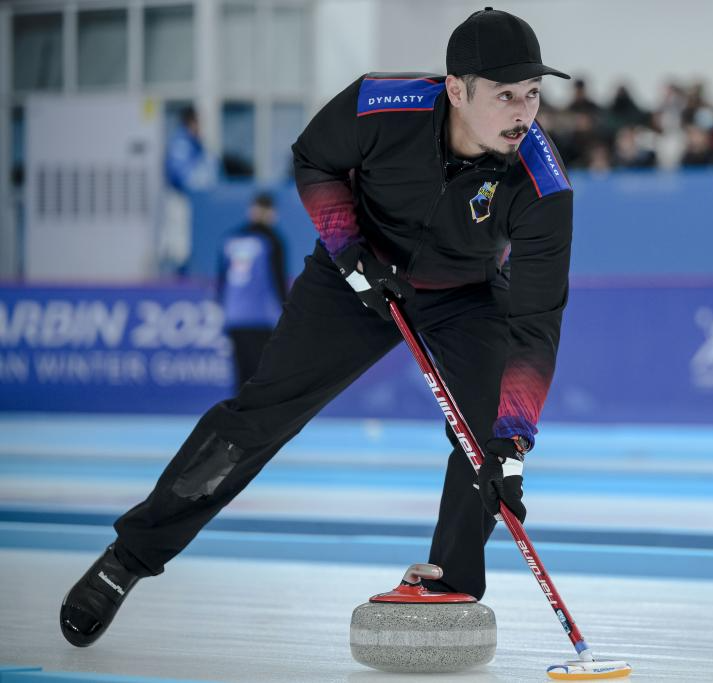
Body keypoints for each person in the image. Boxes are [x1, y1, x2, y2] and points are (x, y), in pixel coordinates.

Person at [59, 7, 573, 647]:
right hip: (355, 274)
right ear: (456, 89)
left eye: (532, 94)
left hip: (464, 294)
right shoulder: (379, 105)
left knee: (486, 434)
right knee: (259, 416)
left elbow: (535, 323)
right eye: (505, 95)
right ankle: (128, 559)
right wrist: (349, 253)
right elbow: (314, 161)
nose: (524, 113)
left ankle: (449, 583)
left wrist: (512, 444)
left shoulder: (543, 183)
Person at [217, 192, 288, 392]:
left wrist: (224, 309)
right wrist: (287, 311)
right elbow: (278, 281)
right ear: (272, 213)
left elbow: (221, 283)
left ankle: (240, 409)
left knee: (241, 373)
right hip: (262, 316)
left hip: (235, 315)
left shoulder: (230, 239)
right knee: (261, 372)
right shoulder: (272, 240)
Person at [158, 106, 217, 275]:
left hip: (190, 200)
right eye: (198, 122)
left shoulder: (195, 143)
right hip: (178, 198)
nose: (200, 127)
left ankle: (180, 273)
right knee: (176, 244)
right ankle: (172, 279)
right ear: (191, 122)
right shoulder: (180, 143)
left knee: (183, 243)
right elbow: (181, 176)